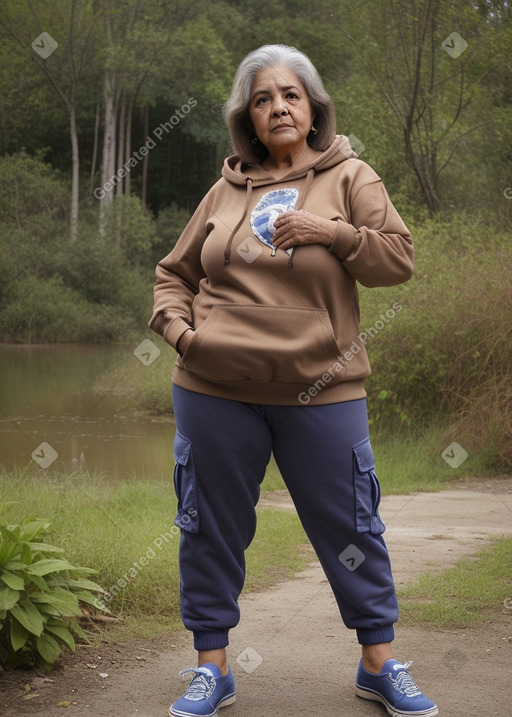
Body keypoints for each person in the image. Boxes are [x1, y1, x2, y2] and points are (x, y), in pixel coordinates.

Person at [150, 44, 438, 717]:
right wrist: (181, 334)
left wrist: (330, 231)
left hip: (323, 388)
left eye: (290, 95)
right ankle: (211, 667)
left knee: (352, 525)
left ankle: (379, 661)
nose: (277, 106)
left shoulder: (349, 176)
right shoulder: (223, 190)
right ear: (247, 118)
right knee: (207, 525)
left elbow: (397, 259)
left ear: (313, 110)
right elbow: (174, 274)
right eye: (261, 98)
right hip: (213, 389)